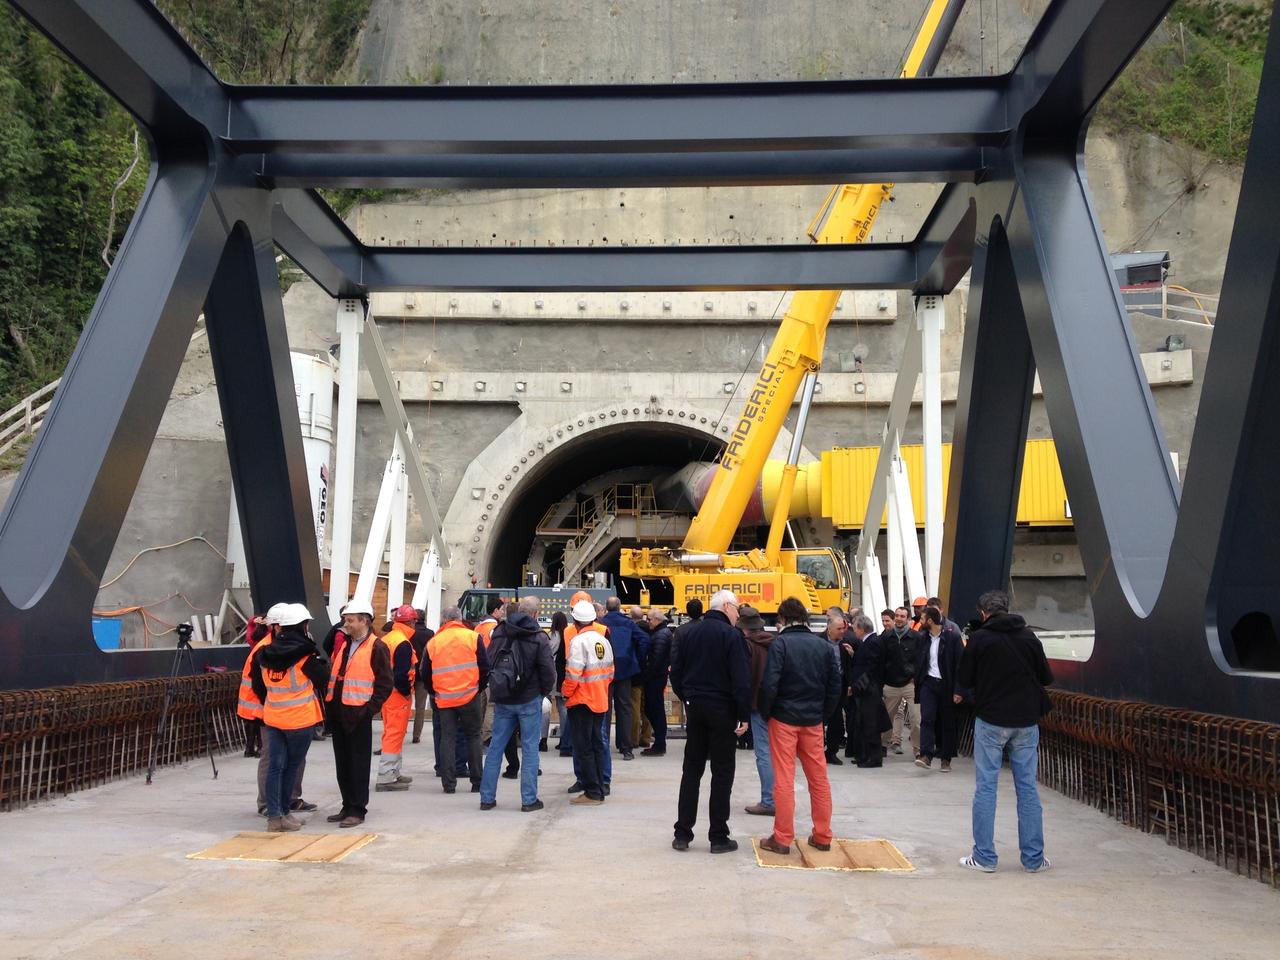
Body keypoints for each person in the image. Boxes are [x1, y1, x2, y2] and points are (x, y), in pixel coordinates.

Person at [957, 589, 1054, 874]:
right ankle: (1034, 859)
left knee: (986, 787)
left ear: (983, 613)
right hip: (1025, 722)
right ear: (1008, 608)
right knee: (1027, 789)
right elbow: (1046, 677)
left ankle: (985, 856)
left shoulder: (979, 639)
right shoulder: (1029, 637)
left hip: (991, 720)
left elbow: (965, 679)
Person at [757, 597, 842, 855]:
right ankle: (822, 835)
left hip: (783, 719)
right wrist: (822, 715)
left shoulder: (781, 644)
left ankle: (782, 838)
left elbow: (770, 683)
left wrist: (766, 712)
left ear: (782, 619)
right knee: (818, 779)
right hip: (813, 721)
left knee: (783, 779)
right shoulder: (823, 646)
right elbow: (834, 686)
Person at [670, 589, 750, 854]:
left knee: (691, 771)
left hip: (696, 708)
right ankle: (718, 836)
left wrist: (688, 698)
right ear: (727, 606)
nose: (738, 614)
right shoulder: (732, 636)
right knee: (722, 772)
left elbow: (677, 672)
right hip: (723, 709)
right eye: (737, 608)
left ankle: (682, 833)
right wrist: (743, 714)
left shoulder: (689, 633)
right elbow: (740, 678)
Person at [251, 603, 328, 833]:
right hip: (299, 720)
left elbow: (258, 686)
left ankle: (275, 817)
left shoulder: (263, 654)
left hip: (273, 718)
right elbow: (323, 681)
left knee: (275, 767)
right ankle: (284, 812)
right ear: (303, 626)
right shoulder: (306, 656)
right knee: (291, 767)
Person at [480, 598, 556, 812]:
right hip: (529, 698)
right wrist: (543, 692)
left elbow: (490, 660)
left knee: (496, 747)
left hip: (503, 697)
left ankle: (487, 798)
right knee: (530, 748)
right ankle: (529, 800)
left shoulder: (500, 631)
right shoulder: (539, 637)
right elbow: (548, 670)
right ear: (535, 614)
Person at [324, 598, 393, 827]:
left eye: (350, 620)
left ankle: (358, 809)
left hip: (358, 715)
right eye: (346, 620)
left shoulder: (377, 647)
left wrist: (368, 710)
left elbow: (384, 684)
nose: (347, 624)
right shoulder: (345, 644)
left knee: (358, 764)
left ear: (365, 620)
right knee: (342, 764)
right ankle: (347, 805)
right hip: (339, 712)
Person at [423, 606, 489, 795]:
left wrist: (434, 692)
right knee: (474, 736)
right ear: (460, 618)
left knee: (447, 739)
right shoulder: (472, 637)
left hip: (444, 699)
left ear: (444, 620)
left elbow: (425, 672)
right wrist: (478, 688)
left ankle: (448, 784)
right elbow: (484, 666)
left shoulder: (434, 642)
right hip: (470, 695)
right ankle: (477, 782)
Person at [563, 599, 615, 805]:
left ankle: (592, 792)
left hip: (582, 701)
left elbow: (573, 674)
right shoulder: (603, 640)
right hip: (600, 699)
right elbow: (611, 672)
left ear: (575, 621)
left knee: (583, 747)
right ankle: (600, 785)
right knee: (596, 744)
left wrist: (566, 692)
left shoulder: (578, 642)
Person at [915, 604, 964, 772]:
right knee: (927, 718)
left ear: (929, 620)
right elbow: (919, 660)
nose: (919, 621)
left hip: (947, 685)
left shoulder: (952, 637)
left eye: (922, 618)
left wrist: (958, 690)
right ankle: (926, 755)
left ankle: (946, 758)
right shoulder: (923, 638)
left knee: (947, 722)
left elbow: (960, 665)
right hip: (928, 683)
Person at [376, 604, 419, 792]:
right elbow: (401, 674)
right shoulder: (403, 643)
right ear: (411, 622)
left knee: (392, 732)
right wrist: (406, 692)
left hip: (387, 694)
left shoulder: (388, 639)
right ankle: (386, 777)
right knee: (395, 733)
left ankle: (393, 772)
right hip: (397, 695)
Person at [740, 604, 775, 818]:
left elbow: (745, 677)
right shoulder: (775, 643)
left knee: (763, 752)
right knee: (777, 752)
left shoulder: (747, 646)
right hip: (776, 704)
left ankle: (769, 800)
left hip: (756, 703)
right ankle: (779, 796)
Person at [847, 614, 889, 767]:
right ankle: (864, 755)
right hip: (865, 690)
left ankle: (874, 757)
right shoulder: (868, 642)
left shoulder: (873, 643)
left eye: (855, 628)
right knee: (863, 724)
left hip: (869, 690)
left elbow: (870, 669)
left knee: (871, 725)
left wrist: (856, 687)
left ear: (861, 629)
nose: (854, 632)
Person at [601, 597, 640, 759]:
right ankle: (626, 748)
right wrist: (635, 657)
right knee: (624, 708)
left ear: (606, 608)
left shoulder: (600, 624)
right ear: (619, 607)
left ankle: (603, 746)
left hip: (604, 671)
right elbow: (644, 640)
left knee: (605, 708)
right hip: (625, 670)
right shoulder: (629, 623)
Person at [881, 606, 922, 758]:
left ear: (908, 619)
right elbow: (881, 660)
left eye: (902, 616)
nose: (898, 618)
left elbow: (921, 660)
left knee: (916, 719)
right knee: (886, 718)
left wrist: (915, 678)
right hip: (890, 684)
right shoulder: (886, 637)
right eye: (897, 615)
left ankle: (918, 750)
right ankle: (883, 745)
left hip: (910, 684)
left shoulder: (916, 637)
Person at [640, 608, 673, 757]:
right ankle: (660, 741)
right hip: (657, 676)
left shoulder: (660, 635)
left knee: (654, 709)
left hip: (656, 678)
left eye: (649, 619)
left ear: (657, 620)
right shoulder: (661, 633)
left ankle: (660, 743)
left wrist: (647, 675)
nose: (648, 622)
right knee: (653, 709)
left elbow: (656, 659)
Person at [238, 615, 271, 757]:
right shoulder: (266, 643)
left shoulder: (254, 643)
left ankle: (249, 747)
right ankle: (260, 746)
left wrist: (253, 621)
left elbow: (250, 632)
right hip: (257, 688)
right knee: (259, 719)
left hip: (247, 690)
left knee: (250, 720)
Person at [822, 612, 852, 765]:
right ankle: (817, 749)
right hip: (821, 687)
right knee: (818, 721)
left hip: (839, 687)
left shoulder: (846, 643)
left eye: (843, 628)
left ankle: (831, 752)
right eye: (839, 629)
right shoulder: (819, 641)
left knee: (837, 722)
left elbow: (850, 667)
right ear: (829, 628)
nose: (842, 631)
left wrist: (852, 655)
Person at [549, 610, 572, 755]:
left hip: (556, 673)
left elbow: (549, 652)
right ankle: (567, 738)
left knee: (561, 707)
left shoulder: (554, 635)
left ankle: (564, 738)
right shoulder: (569, 634)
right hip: (567, 672)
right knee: (566, 707)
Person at [410, 609, 434, 744]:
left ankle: (400, 730)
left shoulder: (409, 633)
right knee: (420, 706)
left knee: (403, 704)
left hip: (409, 671)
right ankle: (416, 735)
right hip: (423, 673)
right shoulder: (430, 633)